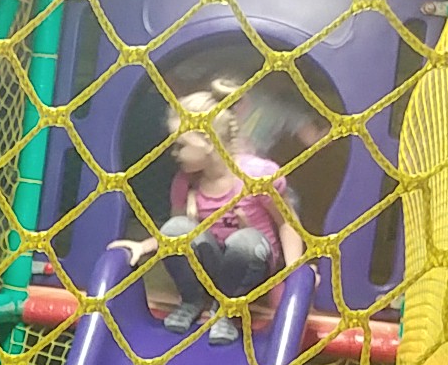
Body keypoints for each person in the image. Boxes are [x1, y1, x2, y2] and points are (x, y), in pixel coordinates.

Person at [109, 89, 304, 344]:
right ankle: (193, 300)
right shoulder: (185, 182)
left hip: (252, 268)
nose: (174, 153)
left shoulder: (257, 176)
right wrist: (142, 246)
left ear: (208, 141)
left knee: (245, 241)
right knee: (178, 227)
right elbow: (173, 234)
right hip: (211, 267)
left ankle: (227, 309)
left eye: (181, 145)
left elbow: (287, 223)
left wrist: (294, 271)